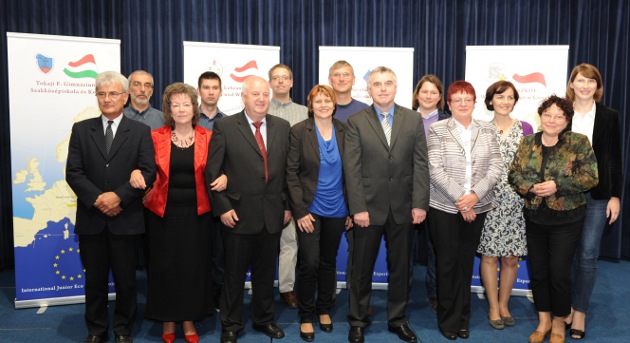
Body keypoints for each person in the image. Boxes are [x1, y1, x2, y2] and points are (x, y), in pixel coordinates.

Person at [129, 83, 225, 343]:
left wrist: (225, 175)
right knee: (164, 267)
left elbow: (222, 166)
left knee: (194, 268)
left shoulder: (209, 136)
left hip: (199, 214)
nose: (181, 109)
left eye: (186, 104)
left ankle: (189, 318)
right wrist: (136, 172)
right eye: (176, 104)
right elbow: (142, 167)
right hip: (161, 214)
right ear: (168, 110)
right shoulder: (155, 136)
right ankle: (168, 319)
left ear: (194, 108)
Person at [66, 71, 156, 343]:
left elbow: (149, 171)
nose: (107, 99)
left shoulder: (140, 131)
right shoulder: (81, 129)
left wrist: (119, 197)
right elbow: (74, 173)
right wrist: (99, 199)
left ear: (125, 97)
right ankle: (96, 330)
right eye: (102, 94)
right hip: (92, 217)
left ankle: (123, 329)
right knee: (94, 281)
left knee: (126, 280)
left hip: (126, 218)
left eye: (113, 93)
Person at [344, 66, 429, 343]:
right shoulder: (356, 121)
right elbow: (352, 169)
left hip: (404, 208)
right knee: (361, 269)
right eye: (377, 84)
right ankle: (357, 320)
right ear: (368, 89)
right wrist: (358, 208)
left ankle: (397, 319)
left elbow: (420, 164)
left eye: (388, 83)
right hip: (367, 208)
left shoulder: (413, 119)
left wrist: (419, 204)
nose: (382, 88)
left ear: (396, 87)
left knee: (401, 268)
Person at [206, 76, 291, 343]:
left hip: (272, 215)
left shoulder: (283, 126)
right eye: (255, 94)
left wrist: (287, 206)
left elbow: (289, 172)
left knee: (266, 275)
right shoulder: (225, 126)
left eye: (265, 94)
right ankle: (231, 323)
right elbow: (213, 171)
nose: (261, 99)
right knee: (234, 275)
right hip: (237, 215)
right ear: (243, 97)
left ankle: (264, 319)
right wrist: (222, 209)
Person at [509, 95, 598, 343]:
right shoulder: (527, 143)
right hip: (535, 217)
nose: (552, 120)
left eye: (559, 115)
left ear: (567, 120)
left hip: (567, 219)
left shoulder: (578, 142)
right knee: (538, 272)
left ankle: (560, 322)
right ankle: (544, 320)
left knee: (558, 273)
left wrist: (556, 185)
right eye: (548, 114)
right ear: (541, 116)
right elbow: (514, 175)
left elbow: (590, 177)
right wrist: (531, 187)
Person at [427, 80, 502, 340]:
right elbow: (435, 169)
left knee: (465, 262)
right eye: (456, 99)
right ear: (448, 104)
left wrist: (474, 197)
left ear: (474, 102)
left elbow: (496, 167)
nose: (462, 104)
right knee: (447, 263)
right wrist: (462, 199)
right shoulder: (437, 130)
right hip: (444, 207)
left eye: (467, 99)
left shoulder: (487, 130)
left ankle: (463, 318)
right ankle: (448, 319)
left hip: (478, 206)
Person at [286, 85, 351, 342]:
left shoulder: (345, 131)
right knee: (309, 262)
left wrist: (351, 207)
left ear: (334, 104)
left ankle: (323, 309)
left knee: (328, 261)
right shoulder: (300, 131)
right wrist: (299, 211)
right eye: (318, 101)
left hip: (338, 209)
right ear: (310, 105)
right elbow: (291, 173)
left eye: (328, 100)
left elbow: (352, 173)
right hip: (309, 210)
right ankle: (306, 314)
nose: (323, 105)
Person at [565, 64, 623, 340]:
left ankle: (580, 312)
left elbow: (614, 158)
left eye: (591, 81)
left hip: (598, 195)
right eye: (580, 80)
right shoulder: (560, 111)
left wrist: (615, 195)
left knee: (587, 256)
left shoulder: (610, 116)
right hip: (564, 194)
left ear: (597, 86)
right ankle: (564, 307)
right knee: (565, 256)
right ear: (572, 84)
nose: (586, 85)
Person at [477, 80, 533, 330]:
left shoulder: (527, 128)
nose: (505, 102)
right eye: (500, 97)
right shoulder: (480, 129)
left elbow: (532, 165)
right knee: (489, 256)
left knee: (511, 258)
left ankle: (504, 304)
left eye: (510, 97)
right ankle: (492, 306)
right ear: (490, 101)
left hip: (516, 203)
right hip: (487, 200)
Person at [267, 63, 308, 309]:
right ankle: (259, 286)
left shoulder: (305, 112)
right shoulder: (259, 109)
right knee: (261, 241)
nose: (281, 82)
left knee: (289, 240)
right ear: (270, 82)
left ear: (292, 82)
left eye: (285, 78)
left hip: (294, 185)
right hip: (264, 186)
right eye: (276, 78)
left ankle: (286, 288)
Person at [411, 74, 451, 313]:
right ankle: (403, 291)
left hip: (439, 193)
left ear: (440, 97)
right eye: (424, 91)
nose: (428, 96)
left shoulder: (449, 121)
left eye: (433, 92)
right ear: (417, 94)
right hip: (408, 192)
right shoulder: (404, 118)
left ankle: (436, 292)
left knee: (437, 246)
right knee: (404, 247)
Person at [196, 71, 228, 312]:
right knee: (194, 252)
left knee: (219, 253)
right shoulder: (186, 119)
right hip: (190, 197)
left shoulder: (228, 123)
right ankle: (196, 296)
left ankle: (216, 296)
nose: (210, 91)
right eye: (205, 87)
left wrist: (228, 175)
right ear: (199, 91)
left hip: (217, 199)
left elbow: (236, 161)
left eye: (214, 87)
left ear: (220, 91)